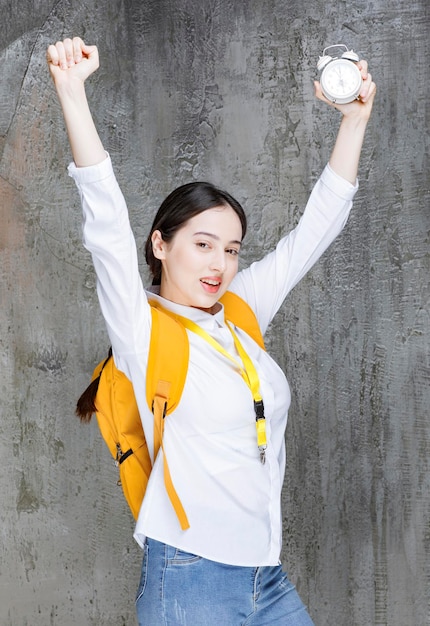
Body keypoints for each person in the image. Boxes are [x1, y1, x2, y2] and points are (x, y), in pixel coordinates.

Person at [46, 36, 376, 626]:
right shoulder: (140, 330)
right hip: (190, 579)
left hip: (266, 577)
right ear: (160, 245)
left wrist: (354, 121)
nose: (218, 265)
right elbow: (104, 219)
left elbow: (315, 230)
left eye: (230, 249)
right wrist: (71, 91)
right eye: (201, 245)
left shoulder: (240, 313)